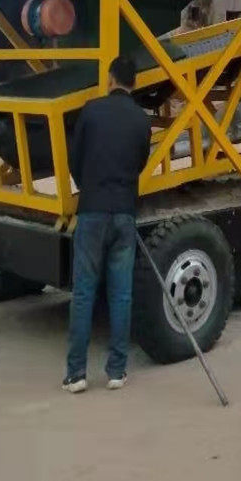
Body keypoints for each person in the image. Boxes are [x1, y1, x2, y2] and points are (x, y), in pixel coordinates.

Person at [62, 54, 151, 393]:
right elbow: (140, 163)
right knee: (121, 295)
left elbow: (75, 160)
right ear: (134, 83)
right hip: (124, 213)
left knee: (84, 293)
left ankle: (76, 375)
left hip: (92, 210)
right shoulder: (141, 120)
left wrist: (90, 186)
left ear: (110, 79)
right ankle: (116, 371)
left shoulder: (91, 110)